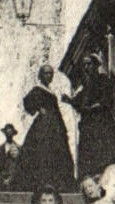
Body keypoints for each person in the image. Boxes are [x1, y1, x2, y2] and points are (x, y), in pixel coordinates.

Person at [12, 65, 76, 195]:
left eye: (51, 73)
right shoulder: (38, 89)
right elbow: (27, 102)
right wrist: (38, 108)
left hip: (55, 125)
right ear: (41, 75)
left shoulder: (50, 90)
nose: (49, 76)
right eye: (46, 73)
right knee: (42, 152)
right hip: (44, 126)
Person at [64, 53, 115, 183]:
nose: (86, 67)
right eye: (84, 65)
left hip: (101, 122)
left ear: (96, 65)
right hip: (88, 124)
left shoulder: (103, 80)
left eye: (89, 64)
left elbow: (107, 99)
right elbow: (79, 101)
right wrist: (69, 100)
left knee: (104, 149)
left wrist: (93, 107)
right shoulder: (86, 86)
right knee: (89, 151)